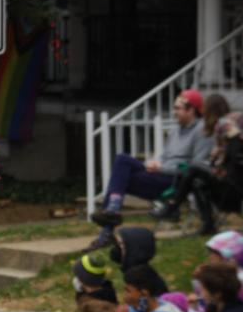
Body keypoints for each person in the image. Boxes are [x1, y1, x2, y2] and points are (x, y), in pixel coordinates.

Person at [86, 89, 210, 250]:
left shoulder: (201, 131)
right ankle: (108, 224)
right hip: (159, 176)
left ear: (191, 109)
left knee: (122, 160)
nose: (174, 112)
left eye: (178, 108)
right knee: (121, 175)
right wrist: (154, 163)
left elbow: (197, 166)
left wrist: (161, 167)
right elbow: (164, 157)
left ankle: (110, 216)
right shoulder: (175, 131)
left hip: (175, 183)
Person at [152, 100, 243, 234]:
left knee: (193, 168)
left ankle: (172, 206)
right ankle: (208, 225)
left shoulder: (229, 128)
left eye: (205, 112)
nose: (203, 116)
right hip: (225, 187)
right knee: (196, 181)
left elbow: (234, 158)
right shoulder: (221, 131)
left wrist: (218, 156)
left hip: (233, 186)